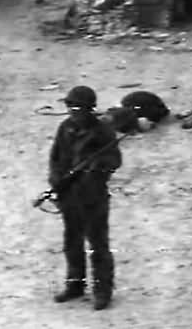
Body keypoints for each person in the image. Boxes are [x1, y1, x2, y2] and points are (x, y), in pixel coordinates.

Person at [49, 85, 123, 311]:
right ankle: (75, 285)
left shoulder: (103, 132)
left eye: (77, 107)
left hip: (93, 197)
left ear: (89, 109)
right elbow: (56, 159)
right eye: (69, 106)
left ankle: (102, 291)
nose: (72, 111)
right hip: (69, 195)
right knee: (72, 242)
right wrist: (57, 184)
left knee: (98, 245)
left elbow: (114, 161)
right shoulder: (65, 128)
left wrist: (95, 170)